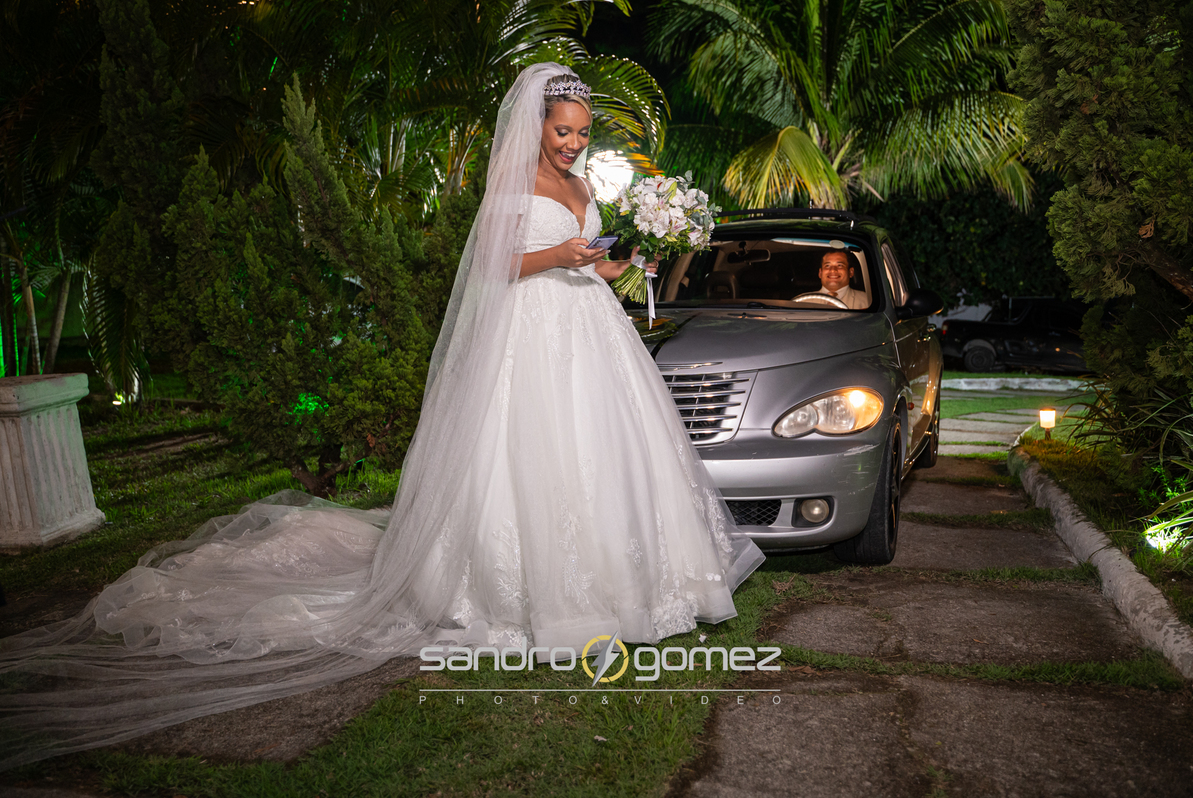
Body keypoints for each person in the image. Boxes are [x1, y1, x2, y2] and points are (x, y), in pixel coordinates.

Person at [0, 63, 764, 769]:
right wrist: (557, 258)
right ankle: (533, 594)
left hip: (589, 327)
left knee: (606, 452)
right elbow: (494, 264)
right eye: (562, 131)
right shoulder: (512, 184)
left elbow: (588, 255)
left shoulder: (581, 183)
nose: (572, 144)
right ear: (536, 126)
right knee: (530, 455)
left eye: (581, 133)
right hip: (530, 334)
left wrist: (622, 262)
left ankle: (637, 584)